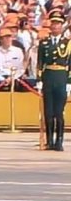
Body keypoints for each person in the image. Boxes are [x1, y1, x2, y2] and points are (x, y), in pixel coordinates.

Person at [37, 11, 69, 151]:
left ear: (62, 26)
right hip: (48, 76)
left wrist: (69, 82)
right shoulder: (44, 43)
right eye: (53, 24)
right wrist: (39, 79)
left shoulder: (67, 43)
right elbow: (40, 63)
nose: (55, 27)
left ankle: (59, 141)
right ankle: (49, 140)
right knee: (48, 112)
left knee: (59, 112)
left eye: (58, 24)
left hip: (61, 77)